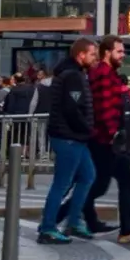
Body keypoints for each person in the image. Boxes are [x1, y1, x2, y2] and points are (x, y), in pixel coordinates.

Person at [37, 37, 98, 245]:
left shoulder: (73, 74)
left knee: (87, 176)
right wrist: (87, 129)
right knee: (62, 183)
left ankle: (72, 220)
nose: (94, 58)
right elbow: (72, 108)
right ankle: (48, 227)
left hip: (73, 136)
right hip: (69, 137)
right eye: (92, 54)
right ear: (81, 55)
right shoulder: (73, 76)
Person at [82, 34, 130, 244]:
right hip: (105, 139)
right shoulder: (105, 74)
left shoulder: (103, 73)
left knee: (100, 183)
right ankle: (126, 229)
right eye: (119, 51)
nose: (123, 55)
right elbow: (105, 109)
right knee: (114, 182)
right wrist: (114, 133)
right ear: (107, 52)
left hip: (102, 138)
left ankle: (79, 217)